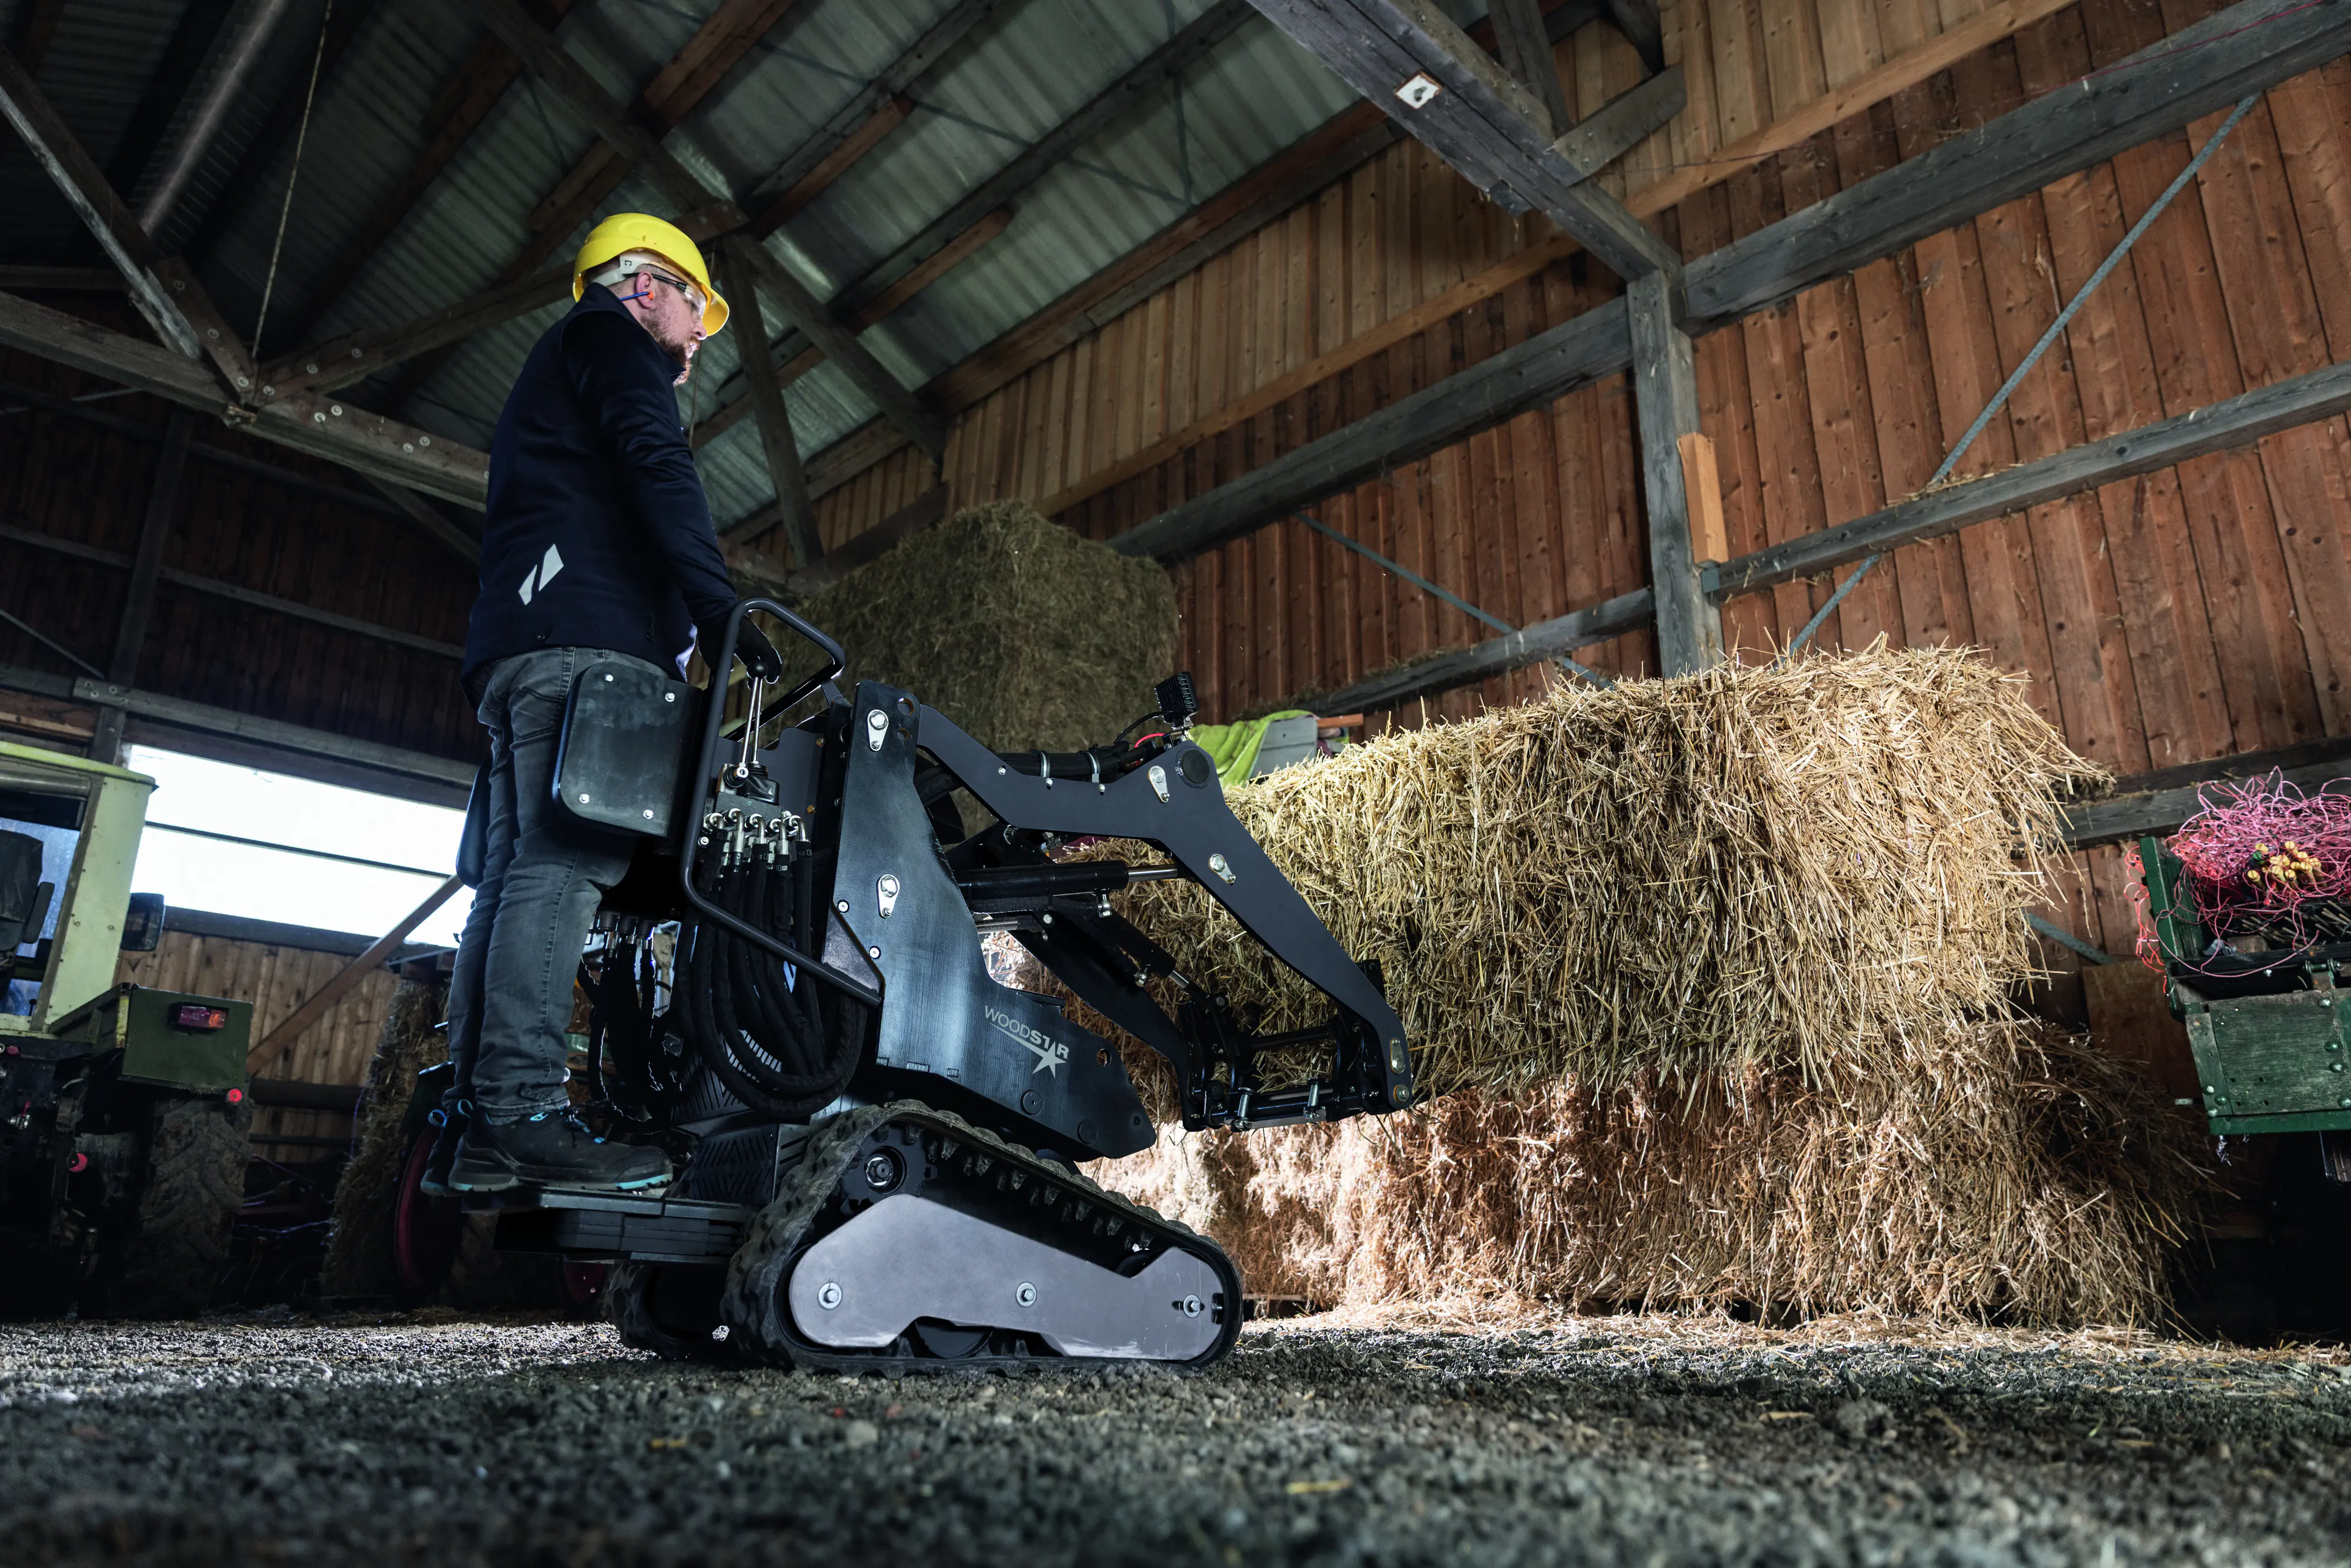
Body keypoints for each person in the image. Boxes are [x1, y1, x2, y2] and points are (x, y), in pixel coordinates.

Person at [426, 213, 783, 1195]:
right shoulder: (607, 342)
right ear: (640, 286)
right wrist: (718, 610)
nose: (698, 334)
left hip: (518, 653)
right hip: (579, 650)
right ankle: (525, 1111)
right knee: (565, 861)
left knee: (507, 877)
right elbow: (657, 466)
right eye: (690, 305)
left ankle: (481, 1121)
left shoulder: (559, 369)